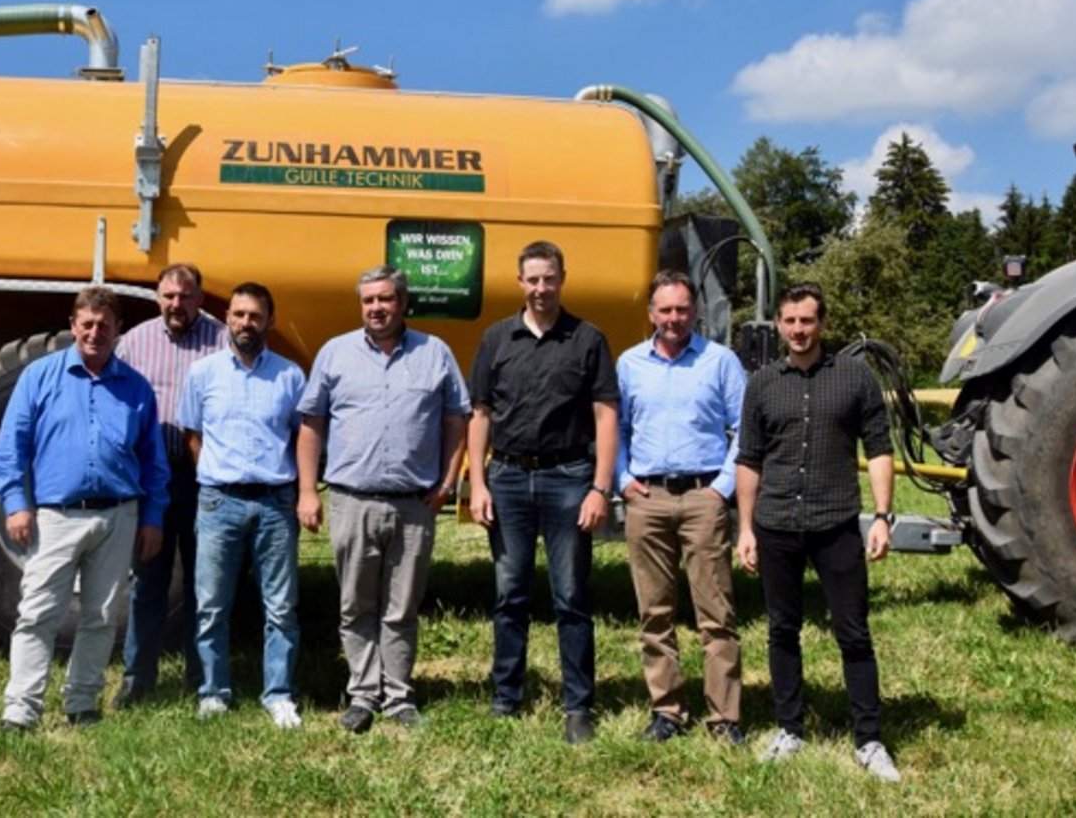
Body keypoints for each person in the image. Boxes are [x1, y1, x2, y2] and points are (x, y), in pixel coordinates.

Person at [735, 281, 902, 783]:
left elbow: (878, 448)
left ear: (822, 323)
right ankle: (790, 728)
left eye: (806, 320)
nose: (798, 330)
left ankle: (869, 739)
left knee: (853, 631)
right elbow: (749, 459)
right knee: (782, 630)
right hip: (777, 523)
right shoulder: (762, 383)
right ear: (779, 325)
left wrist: (883, 516)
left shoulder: (855, 378)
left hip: (835, 524)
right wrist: (745, 527)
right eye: (789, 321)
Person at [296, 265, 470, 733]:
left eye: (385, 299)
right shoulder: (336, 353)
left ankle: (398, 696)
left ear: (403, 302)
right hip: (352, 501)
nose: (376, 308)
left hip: (415, 503)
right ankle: (362, 694)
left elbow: (457, 418)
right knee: (355, 605)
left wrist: (449, 479)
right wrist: (307, 490)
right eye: (369, 300)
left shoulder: (435, 353)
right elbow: (311, 425)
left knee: (402, 606)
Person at [0, 286, 169, 731]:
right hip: (55, 517)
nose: (95, 333)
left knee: (102, 615)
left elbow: (153, 461)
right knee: (38, 612)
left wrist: (151, 518)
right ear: (73, 325)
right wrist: (16, 504)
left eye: (104, 326)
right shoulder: (39, 377)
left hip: (118, 515)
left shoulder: (136, 387)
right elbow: (11, 448)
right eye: (87, 324)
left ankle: (82, 703)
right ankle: (21, 709)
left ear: (117, 331)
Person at [467, 240, 619, 745]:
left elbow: (605, 415)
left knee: (571, 597)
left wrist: (600, 486)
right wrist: (478, 482)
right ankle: (506, 697)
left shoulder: (588, 339)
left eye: (548, 278)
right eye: (531, 279)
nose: (539, 288)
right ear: (519, 283)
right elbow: (481, 415)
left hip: (569, 479)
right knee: (509, 596)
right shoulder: (495, 339)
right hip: (507, 480)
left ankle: (578, 706)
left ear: (562, 279)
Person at [615, 269, 745, 745]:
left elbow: (745, 429)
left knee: (717, 615)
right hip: (646, 499)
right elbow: (617, 430)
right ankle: (667, 711)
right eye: (665, 309)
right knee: (655, 613)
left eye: (682, 309)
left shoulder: (720, 362)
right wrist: (623, 480)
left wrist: (722, 488)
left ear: (695, 311)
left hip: (702, 497)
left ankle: (724, 717)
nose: (674, 318)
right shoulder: (629, 364)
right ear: (651, 313)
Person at [178, 281, 307, 728]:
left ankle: (279, 694)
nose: (245, 323)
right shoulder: (203, 374)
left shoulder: (291, 377)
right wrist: (216, 477)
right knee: (211, 604)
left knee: (281, 607)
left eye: (254, 316)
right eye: (237, 315)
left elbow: (299, 436)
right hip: (220, 502)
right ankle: (214, 691)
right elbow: (192, 435)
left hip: (274, 503)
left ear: (269, 320)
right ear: (227, 318)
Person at [113, 263, 226, 709]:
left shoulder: (220, 340)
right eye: (168, 296)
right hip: (153, 481)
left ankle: (203, 683)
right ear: (157, 297)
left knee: (206, 585)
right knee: (148, 583)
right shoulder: (134, 341)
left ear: (200, 298)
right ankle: (137, 679)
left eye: (185, 296)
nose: (176, 304)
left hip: (203, 480)